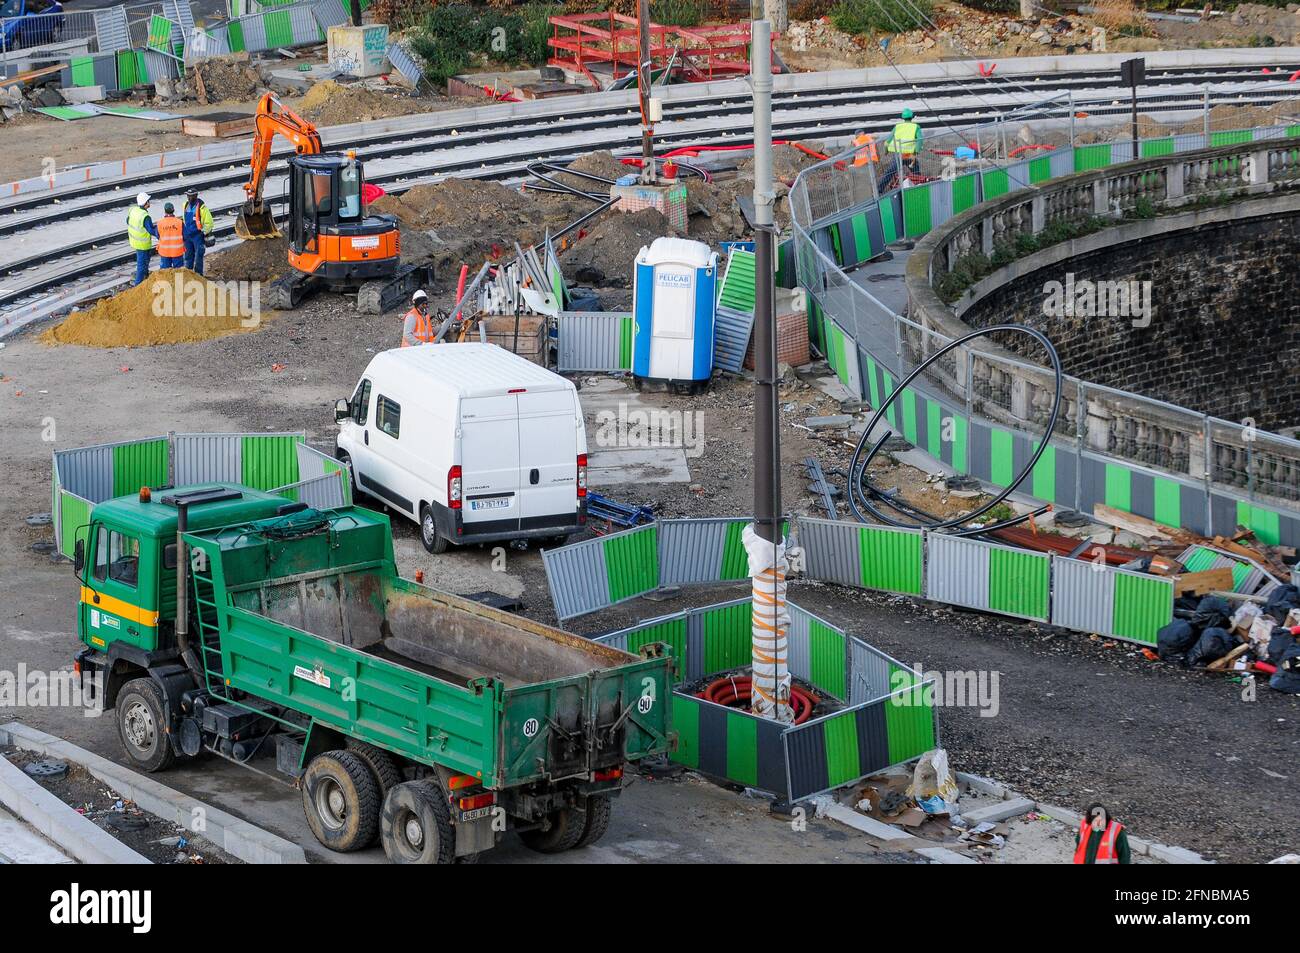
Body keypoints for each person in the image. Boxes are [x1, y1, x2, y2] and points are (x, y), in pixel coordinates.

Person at [126, 192, 159, 286]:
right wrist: (161, 234)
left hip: (135, 242)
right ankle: (138, 285)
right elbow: (151, 230)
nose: (149, 202)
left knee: (143, 264)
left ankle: (145, 280)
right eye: (148, 201)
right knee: (142, 266)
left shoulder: (133, 210)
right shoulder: (145, 216)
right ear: (145, 203)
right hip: (143, 245)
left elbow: (127, 221)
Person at [182, 189, 214, 275]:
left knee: (199, 255)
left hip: (197, 235)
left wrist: (203, 232)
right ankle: (188, 273)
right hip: (188, 236)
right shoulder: (186, 206)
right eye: (188, 195)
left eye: (190, 196)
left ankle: (198, 274)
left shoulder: (202, 208)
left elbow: (209, 223)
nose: (188, 198)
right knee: (188, 255)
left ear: (195, 196)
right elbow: (184, 220)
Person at [887, 108, 923, 178]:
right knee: (916, 173)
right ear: (912, 117)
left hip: (899, 154)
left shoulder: (897, 127)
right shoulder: (916, 127)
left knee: (889, 174)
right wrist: (916, 152)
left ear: (902, 117)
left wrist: (886, 150)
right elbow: (920, 140)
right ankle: (918, 184)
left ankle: (879, 188)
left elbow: (888, 141)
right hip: (909, 154)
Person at [155, 203, 185, 270]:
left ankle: (166, 281)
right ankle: (178, 280)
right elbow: (185, 236)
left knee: (165, 273)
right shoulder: (179, 222)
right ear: (173, 210)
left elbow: (157, 235)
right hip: (177, 251)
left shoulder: (160, 223)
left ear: (164, 211)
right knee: (179, 271)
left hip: (164, 251)